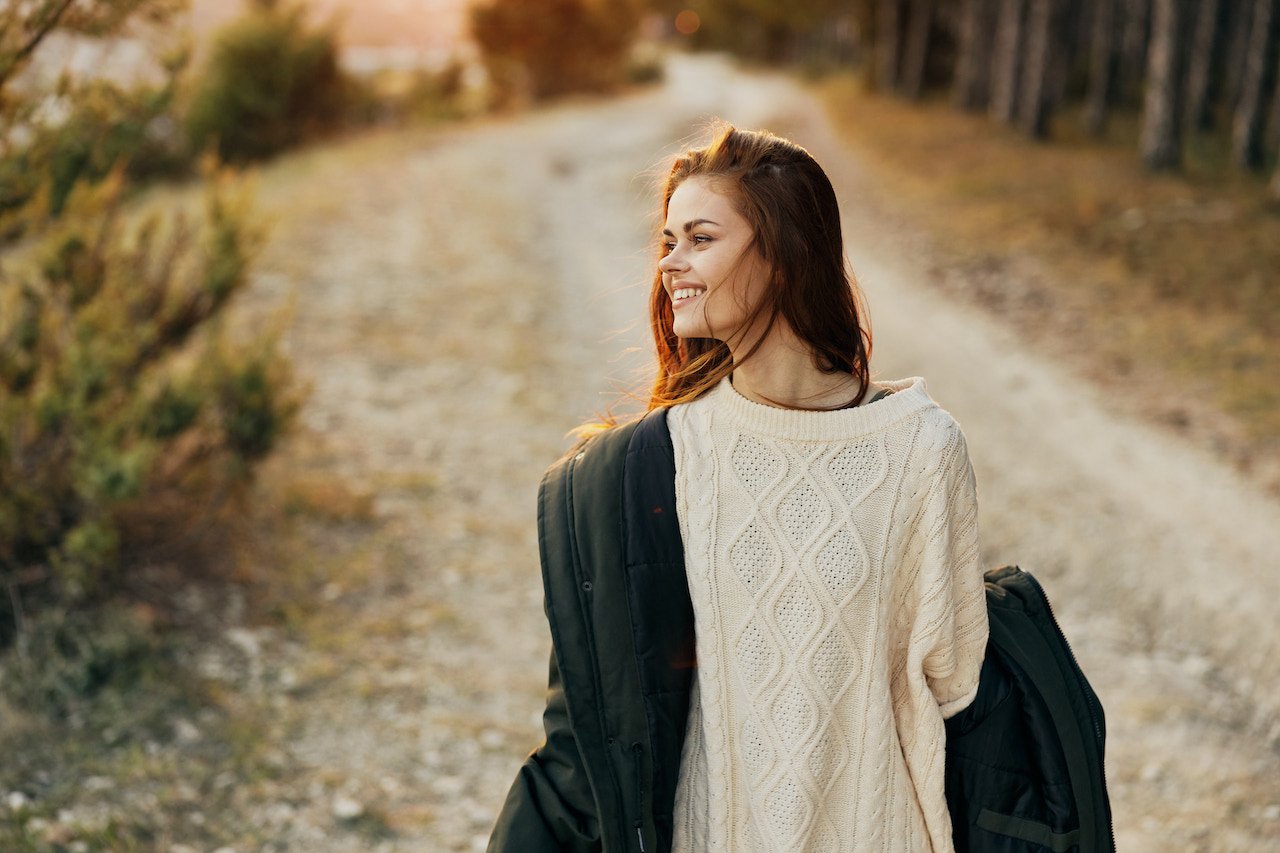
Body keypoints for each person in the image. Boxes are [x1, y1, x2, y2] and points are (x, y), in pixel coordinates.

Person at [488, 123, 988, 853]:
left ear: (785, 254)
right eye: (668, 241)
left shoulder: (921, 449)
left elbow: (955, 686)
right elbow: (594, 725)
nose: (671, 263)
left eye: (700, 239)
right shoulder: (660, 460)